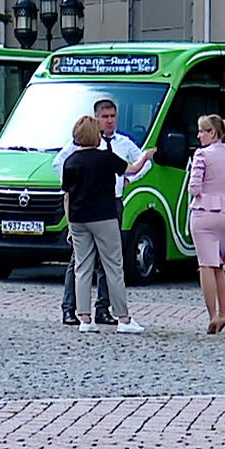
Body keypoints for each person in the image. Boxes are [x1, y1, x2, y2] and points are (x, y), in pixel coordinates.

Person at [53, 98, 152, 325]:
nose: (108, 122)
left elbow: (136, 168)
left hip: (95, 208)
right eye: (104, 117)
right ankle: (112, 315)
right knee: (97, 262)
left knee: (89, 265)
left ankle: (94, 313)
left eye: (112, 117)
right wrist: (145, 156)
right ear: (95, 121)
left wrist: (127, 180)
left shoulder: (120, 144)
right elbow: (136, 164)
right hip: (100, 212)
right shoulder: (86, 153)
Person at [187, 113, 225, 334]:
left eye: (202, 131)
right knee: (219, 265)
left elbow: (194, 188)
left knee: (205, 265)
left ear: (213, 133)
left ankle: (212, 315)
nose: (199, 135)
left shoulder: (202, 155)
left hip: (203, 212)